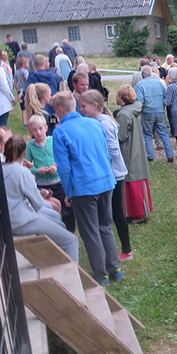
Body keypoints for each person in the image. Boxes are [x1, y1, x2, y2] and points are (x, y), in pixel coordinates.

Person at [51, 91, 123, 285]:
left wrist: (68, 192)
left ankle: (101, 274)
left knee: (90, 230)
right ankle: (115, 267)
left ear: (59, 109)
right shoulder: (95, 123)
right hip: (106, 182)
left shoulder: (60, 132)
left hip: (84, 187)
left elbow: (64, 168)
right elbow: (106, 153)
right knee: (105, 227)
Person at [2, 135, 79, 261]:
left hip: (7, 218)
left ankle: (54, 260)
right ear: (24, 152)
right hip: (22, 221)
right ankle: (72, 277)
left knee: (60, 224)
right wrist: (33, 184)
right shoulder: (22, 172)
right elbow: (37, 204)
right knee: (71, 241)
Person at [79, 90, 132, 260]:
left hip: (114, 175)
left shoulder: (104, 123)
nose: (81, 109)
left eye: (83, 106)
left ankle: (126, 250)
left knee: (116, 213)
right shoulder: (99, 121)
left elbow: (114, 151)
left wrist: (101, 165)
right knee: (112, 213)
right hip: (109, 174)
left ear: (95, 106)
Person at [26, 114, 74, 231]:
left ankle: (69, 231)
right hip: (42, 184)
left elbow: (62, 157)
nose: (38, 132)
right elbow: (27, 165)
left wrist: (55, 166)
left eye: (40, 129)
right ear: (31, 131)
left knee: (67, 208)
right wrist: (37, 170)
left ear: (46, 128)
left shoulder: (53, 141)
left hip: (58, 181)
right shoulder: (30, 147)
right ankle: (54, 230)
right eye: (34, 130)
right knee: (50, 209)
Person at [113, 85, 152, 226]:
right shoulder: (133, 109)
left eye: (117, 95)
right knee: (136, 180)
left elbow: (121, 136)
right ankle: (136, 211)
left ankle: (138, 213)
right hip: (137, 149)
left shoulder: (123, 114)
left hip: (129, 151)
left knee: (132, 183)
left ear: (121, 97)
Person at [135, 65, 173, 162]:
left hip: (147, 112)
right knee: (164, 133)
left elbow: (140, 100)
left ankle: (150, 155)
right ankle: (170, 155)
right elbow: (165, 96)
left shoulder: (140, 85)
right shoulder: (159, 83)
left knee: (147, 134)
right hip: (160, 111)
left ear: (142, 74)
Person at [14, 56, 30, 126]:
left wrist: (18, 90)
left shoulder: (16, 72)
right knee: (28, 107)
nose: (28, 65)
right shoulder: (25, 72)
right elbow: (27, 80)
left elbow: (15, 82)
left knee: (23, 108)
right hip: (25, 91)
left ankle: (25, 123)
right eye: (28, 63)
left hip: (20, 91)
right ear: (24, 64)